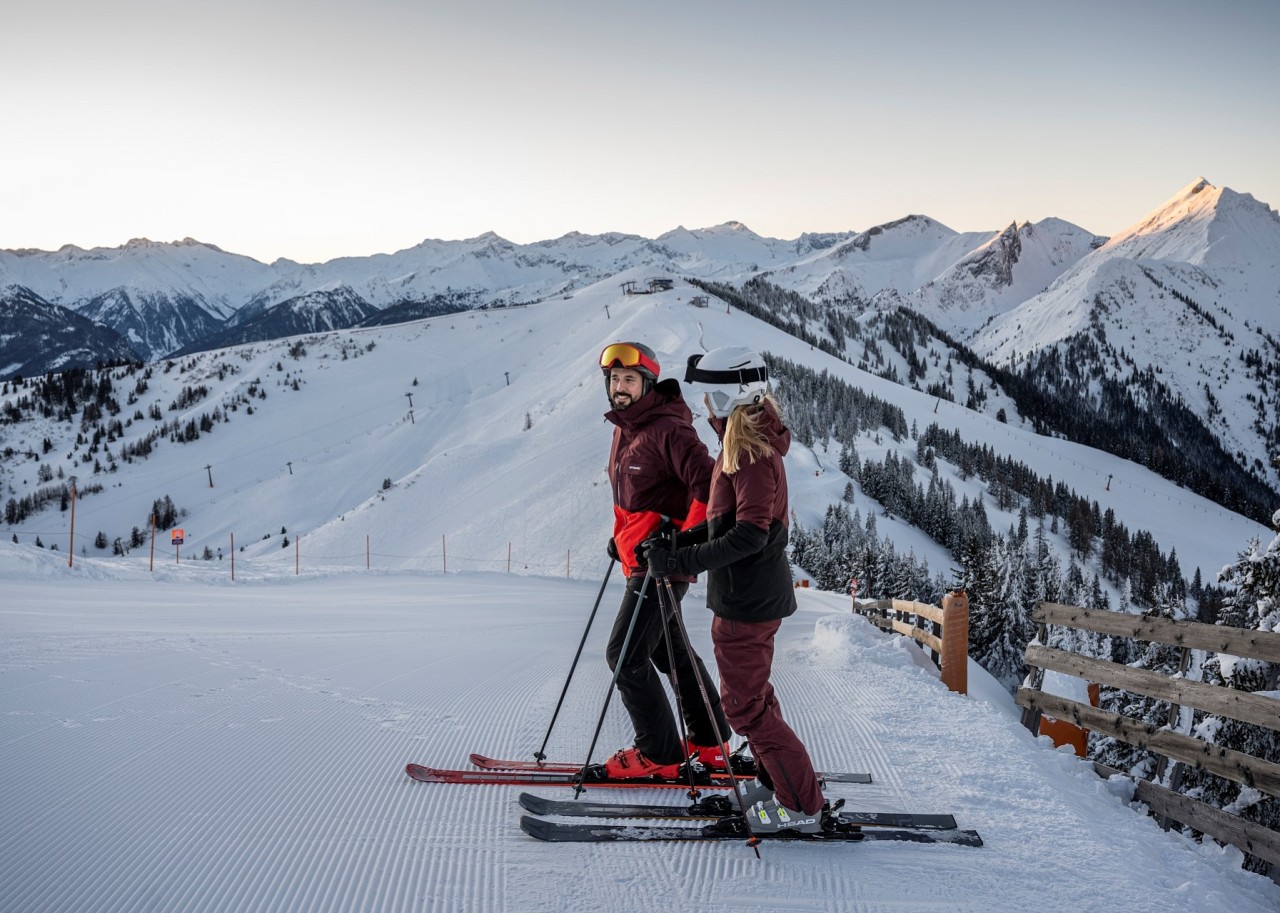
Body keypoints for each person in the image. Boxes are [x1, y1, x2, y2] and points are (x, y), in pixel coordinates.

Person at [641, 345, 824, 833]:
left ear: (728, 398)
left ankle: (802, 804)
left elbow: (750, 535)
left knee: (743, 708)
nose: (704, 406)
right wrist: (679, 541)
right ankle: (774, 782)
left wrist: (681, 559)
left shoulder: (753, 454)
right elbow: (726, 526)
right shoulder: (741, 447)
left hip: (749, 600)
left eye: (710, 397)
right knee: (754, 697)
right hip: (743, 597)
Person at [598, 341, 731, 779]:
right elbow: (637, 501)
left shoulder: (668, 430)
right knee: (666, 649)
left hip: (663, 564)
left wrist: (680, 547)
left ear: (648, 383)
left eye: (629, 379)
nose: (620, 387)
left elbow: (709, 488)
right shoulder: (626, 428)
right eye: (615, 379)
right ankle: (710, 742)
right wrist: (622, 540)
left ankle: (658, 753)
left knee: (624, 656)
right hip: (643, 560)